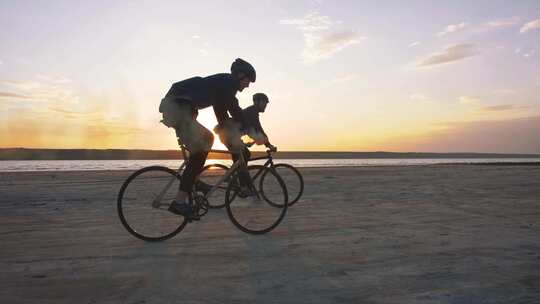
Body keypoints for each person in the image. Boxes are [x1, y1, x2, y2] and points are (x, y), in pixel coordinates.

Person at [159, 58, 256, 218]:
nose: (247, 85)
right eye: (247, 81)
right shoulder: (227, 83)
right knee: (205, 140)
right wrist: (249, 130)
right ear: (239, 76)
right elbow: (234, 109)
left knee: (202, 147)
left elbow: (222, 116)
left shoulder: (222, 87)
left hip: (180, 108)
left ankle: (193, 182)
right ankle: (179, 202)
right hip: (177, 107)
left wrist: (233, 142)